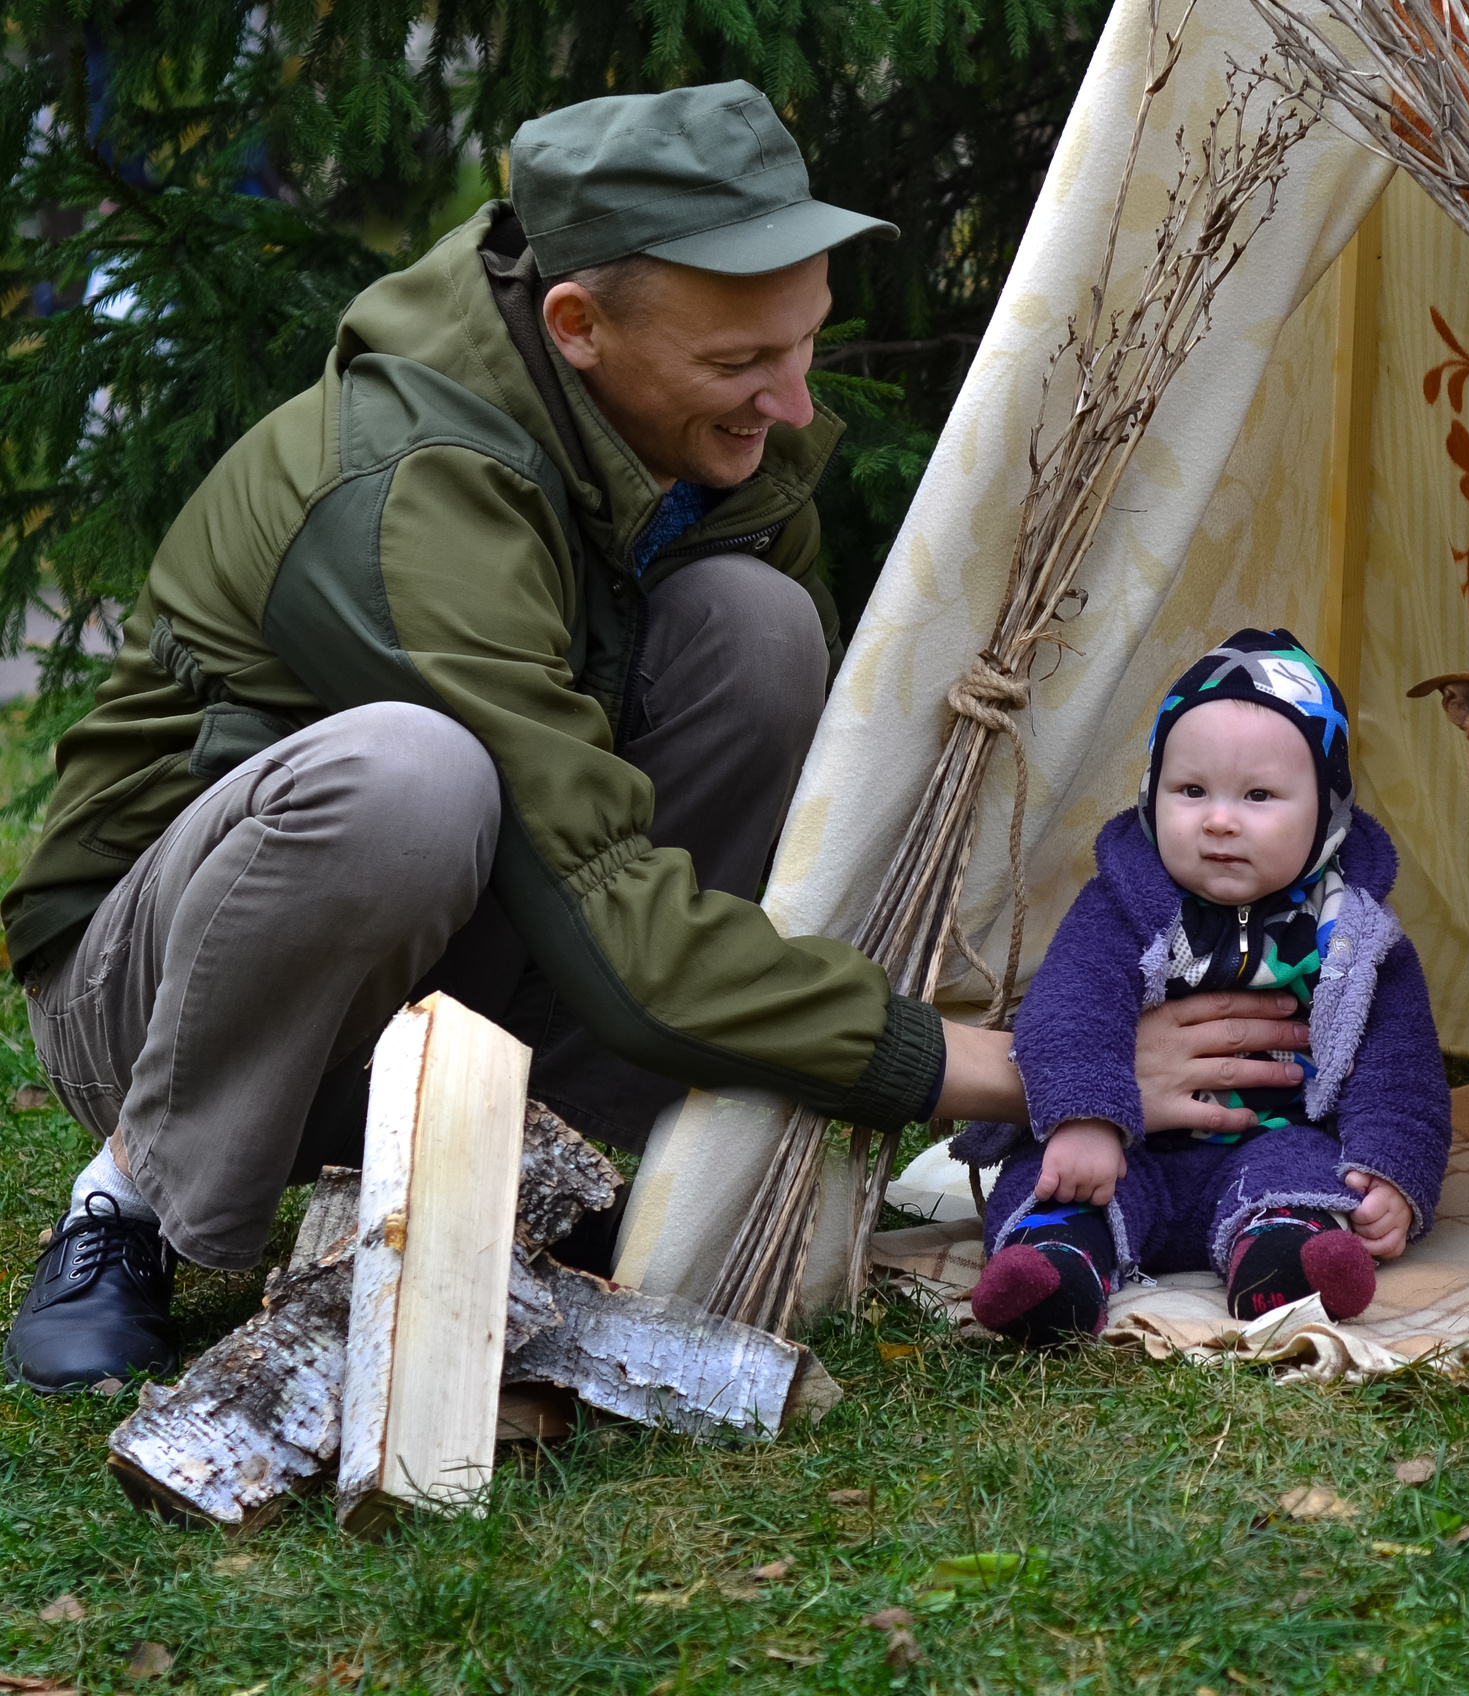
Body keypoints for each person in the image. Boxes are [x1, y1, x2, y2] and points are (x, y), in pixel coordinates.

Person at [2, 84, 1307, 1393]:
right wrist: (1025, 1072)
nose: (791, 404)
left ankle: (528, 1171)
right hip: (167, 1002)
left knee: (759, 629)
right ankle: (133, 1207)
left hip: (433, 970)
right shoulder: (407, 489)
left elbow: (744, 825)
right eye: (742, 365)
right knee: (411, 778)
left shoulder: (702, 440)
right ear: (575, 325)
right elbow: (607, 908)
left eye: (803, 346)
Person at [958, 631, 1451, 1345]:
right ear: (1152, 793)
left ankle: (1283, 1261)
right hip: (1128, 1146)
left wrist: (1392, 1175)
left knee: (1312, 1177)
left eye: (1259, 796)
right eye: (1191, 792)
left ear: (1328, 815)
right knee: (1050, 1181)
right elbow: (1068, 1011)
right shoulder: (1126, 904)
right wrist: (1085, 1120)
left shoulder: (1354, 934)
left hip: (1273, 1142)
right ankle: (1055, 1271)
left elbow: (1401, 1071)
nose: (1220, 820)